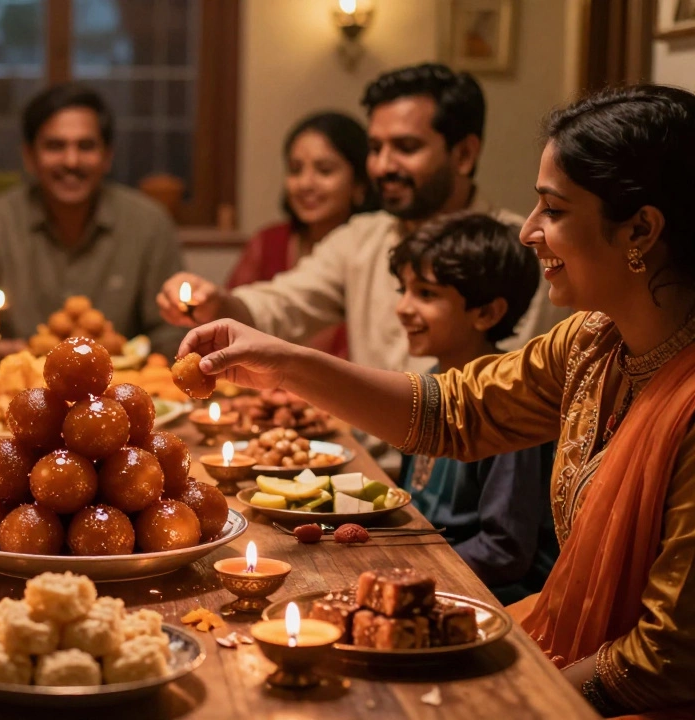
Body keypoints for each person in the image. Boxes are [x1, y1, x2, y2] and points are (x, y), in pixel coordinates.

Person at [179, 84, 695, 716]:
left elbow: (669, 661)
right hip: (569, 650)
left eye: (553, 211)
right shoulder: (592, 342)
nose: (530, 232)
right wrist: (282, 363)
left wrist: (499, 698)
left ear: (640, 228)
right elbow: (452, 411)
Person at [159, 63, 570, 374]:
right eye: (375, 148)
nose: (383, 166)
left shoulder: (518, 250)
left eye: (405, 147)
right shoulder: (363, 237)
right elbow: (283, 305)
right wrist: (217, 302)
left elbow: (512, 390)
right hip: (364, 461)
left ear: (463, 154)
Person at [0, 82, 187, 360]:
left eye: (86, 146)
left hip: (118, 393)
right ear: (29, 156)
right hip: (20, 391)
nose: (71, 161)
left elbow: (171, 334)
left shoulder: (149, 224)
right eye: (55, 146)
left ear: (107, 156)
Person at [390, 212, 558, 603]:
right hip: (429, 566)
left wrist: (405, 573)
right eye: (404, 289)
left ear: (487, 313)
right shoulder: (432, 379)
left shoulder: (510, 401)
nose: (402, 307)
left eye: (426, 294)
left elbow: (505, 551)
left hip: (490, 595)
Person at [227, 111, 379, 357]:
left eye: (325, 170)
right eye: (296, 170)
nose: (306, 184)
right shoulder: (268, 243)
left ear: (359, 183)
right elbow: (235, 322)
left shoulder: (372, 251)